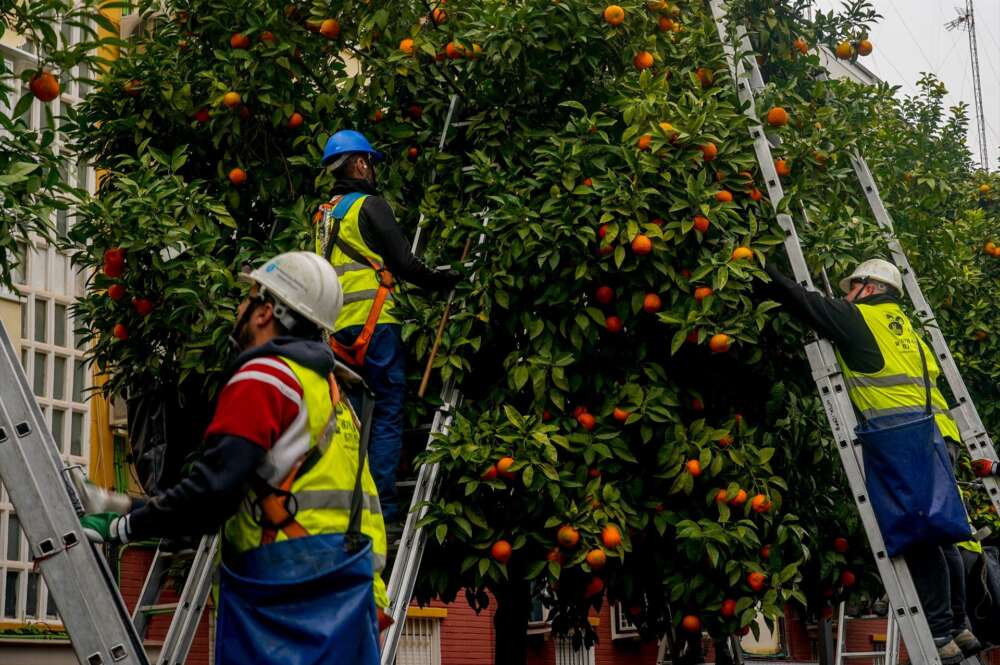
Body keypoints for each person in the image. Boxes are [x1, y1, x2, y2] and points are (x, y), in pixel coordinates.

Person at [81, 252, 388, 665]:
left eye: (248, 299)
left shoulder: (266, 378)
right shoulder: (333, 396)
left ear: (266, 312)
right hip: (348, 591)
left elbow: (212, 494)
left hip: (283, 593)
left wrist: (125, 523)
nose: (240, 309)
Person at [764, 258, 982, 664]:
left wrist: (762, 268)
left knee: (917, 535)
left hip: (900, 438)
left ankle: (938, 632)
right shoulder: (907, 329)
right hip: (939, 436)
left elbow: (803, 301)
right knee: (944, 532)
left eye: (851, 288)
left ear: (868, 288)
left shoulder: (859, 319)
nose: (845, 295)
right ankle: (959, 624)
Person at [314, 129, 460, 527]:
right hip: (375, 328)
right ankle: (384, 511)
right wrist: (448, 282)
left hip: (337, 334)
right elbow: (404, 265)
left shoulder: (325, 217)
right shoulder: (370, 206)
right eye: (370, 163)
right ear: (360, 163)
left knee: (352, 424)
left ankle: (352, 509)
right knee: (388, 413)